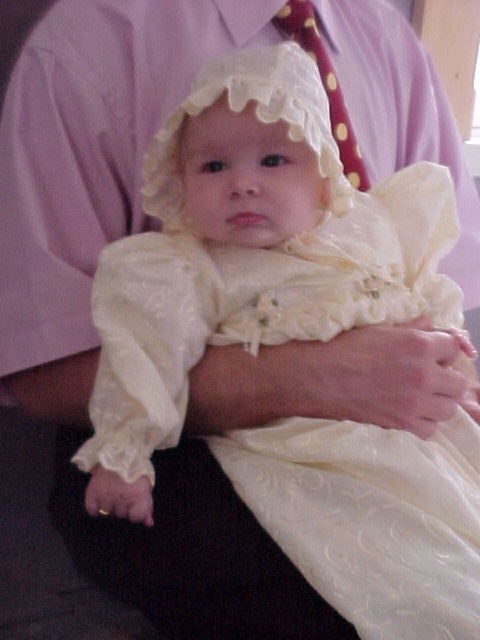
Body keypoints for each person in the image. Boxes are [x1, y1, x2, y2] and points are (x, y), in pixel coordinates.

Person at [1, 1, 479, 638]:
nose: (245, 186)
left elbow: (443, 288)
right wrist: (314, 378)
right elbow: (43, 370)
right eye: (215, 167)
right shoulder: (86, 42)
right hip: (205, 451)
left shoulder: (387, 39)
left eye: (273, 163)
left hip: (402, 435)